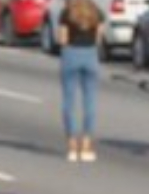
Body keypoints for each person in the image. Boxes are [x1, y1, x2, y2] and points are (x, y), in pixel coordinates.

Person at [57, 0, 105, 163]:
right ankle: (86, 145)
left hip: (71, 53)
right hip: (90, 54)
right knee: (90, 101)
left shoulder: (67, 13)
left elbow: (62, 39)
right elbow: (99, 37)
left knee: (69, 101)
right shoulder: (95, 12)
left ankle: (72, 145)